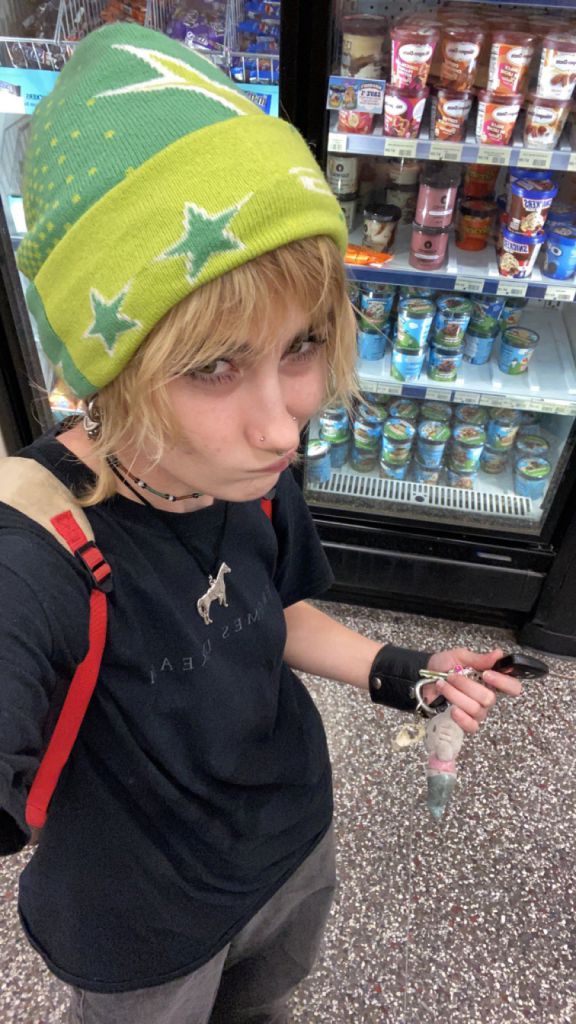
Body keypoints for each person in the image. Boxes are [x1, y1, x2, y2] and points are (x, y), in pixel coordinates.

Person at [0, 22, 521, 1024]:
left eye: (304, 345)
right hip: (140, 928)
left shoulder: (244, 468)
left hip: (290, 842)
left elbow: (269, 612)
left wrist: (405, 671)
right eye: (213, 366)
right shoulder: (37, 549)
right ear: (109, 366)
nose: (286, 423)